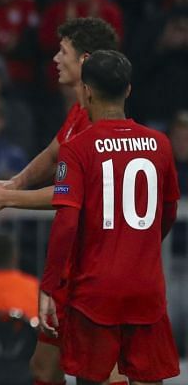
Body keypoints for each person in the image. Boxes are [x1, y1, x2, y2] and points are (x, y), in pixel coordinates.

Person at [0, 17, 122, 385]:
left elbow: (73, 194)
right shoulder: (80, 112)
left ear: (84, 60)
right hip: (71, 264)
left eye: (62, 51)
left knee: (100, 373)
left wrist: (7, 197)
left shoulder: (102, 123)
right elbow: (54, 155)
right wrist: (14, 181)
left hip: (96, 264)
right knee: (44, 367)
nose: (53, 58)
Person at [41, 50, 180, 384]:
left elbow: (66, 222)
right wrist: (139, 247)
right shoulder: (160, 144)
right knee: (149, 378)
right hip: (146, 286)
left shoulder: (76, 149)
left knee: (94, 377)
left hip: (95, 289)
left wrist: (50, 285)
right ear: (128, 90)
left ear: (86, 90)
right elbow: (169, 210)